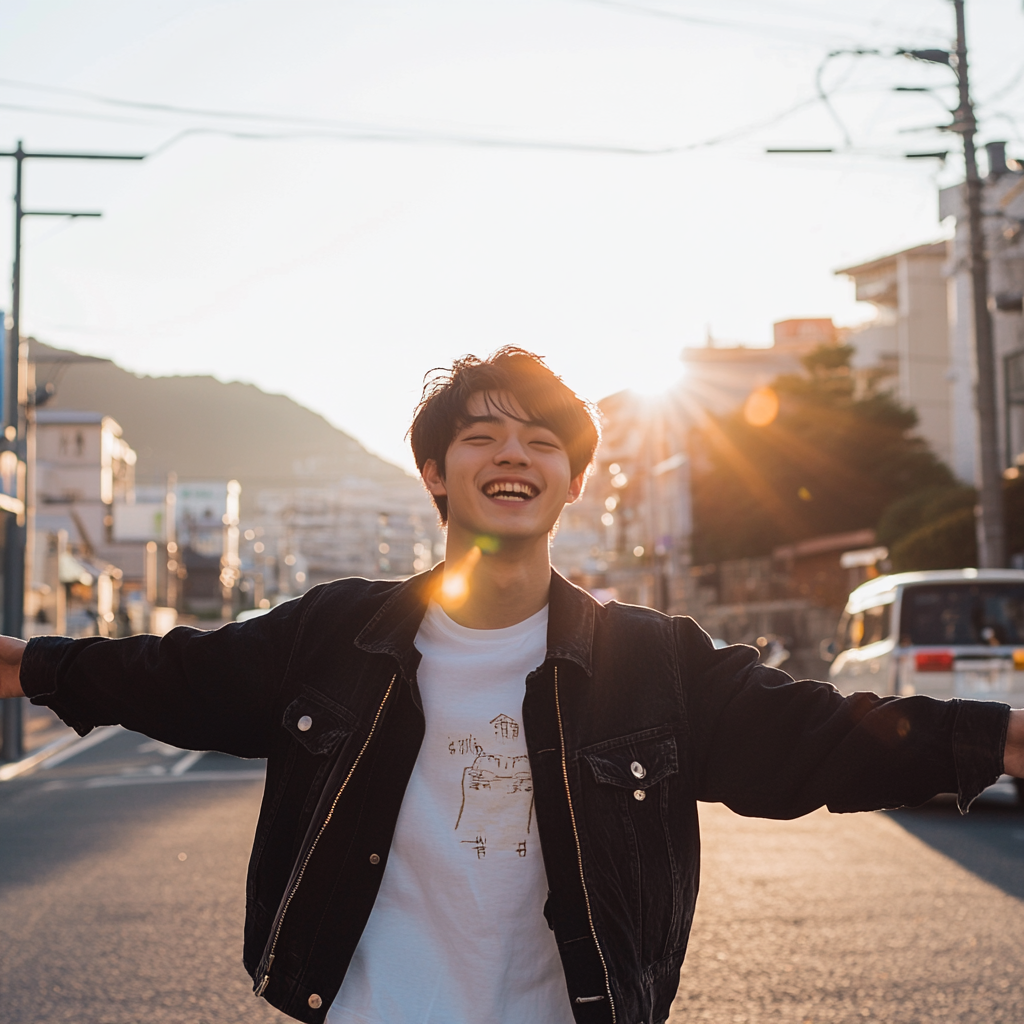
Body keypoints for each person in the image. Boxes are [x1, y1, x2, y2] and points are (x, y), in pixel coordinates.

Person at [0, 345, 1022, 1024]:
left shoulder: (650, 659)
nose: (513, 454)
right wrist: (28, 663)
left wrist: (1001, 738)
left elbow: (820, 734)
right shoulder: (335, 635)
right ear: (437, 473)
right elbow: (174, 674)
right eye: (482, 435)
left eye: (542, 440)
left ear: (571, 483)